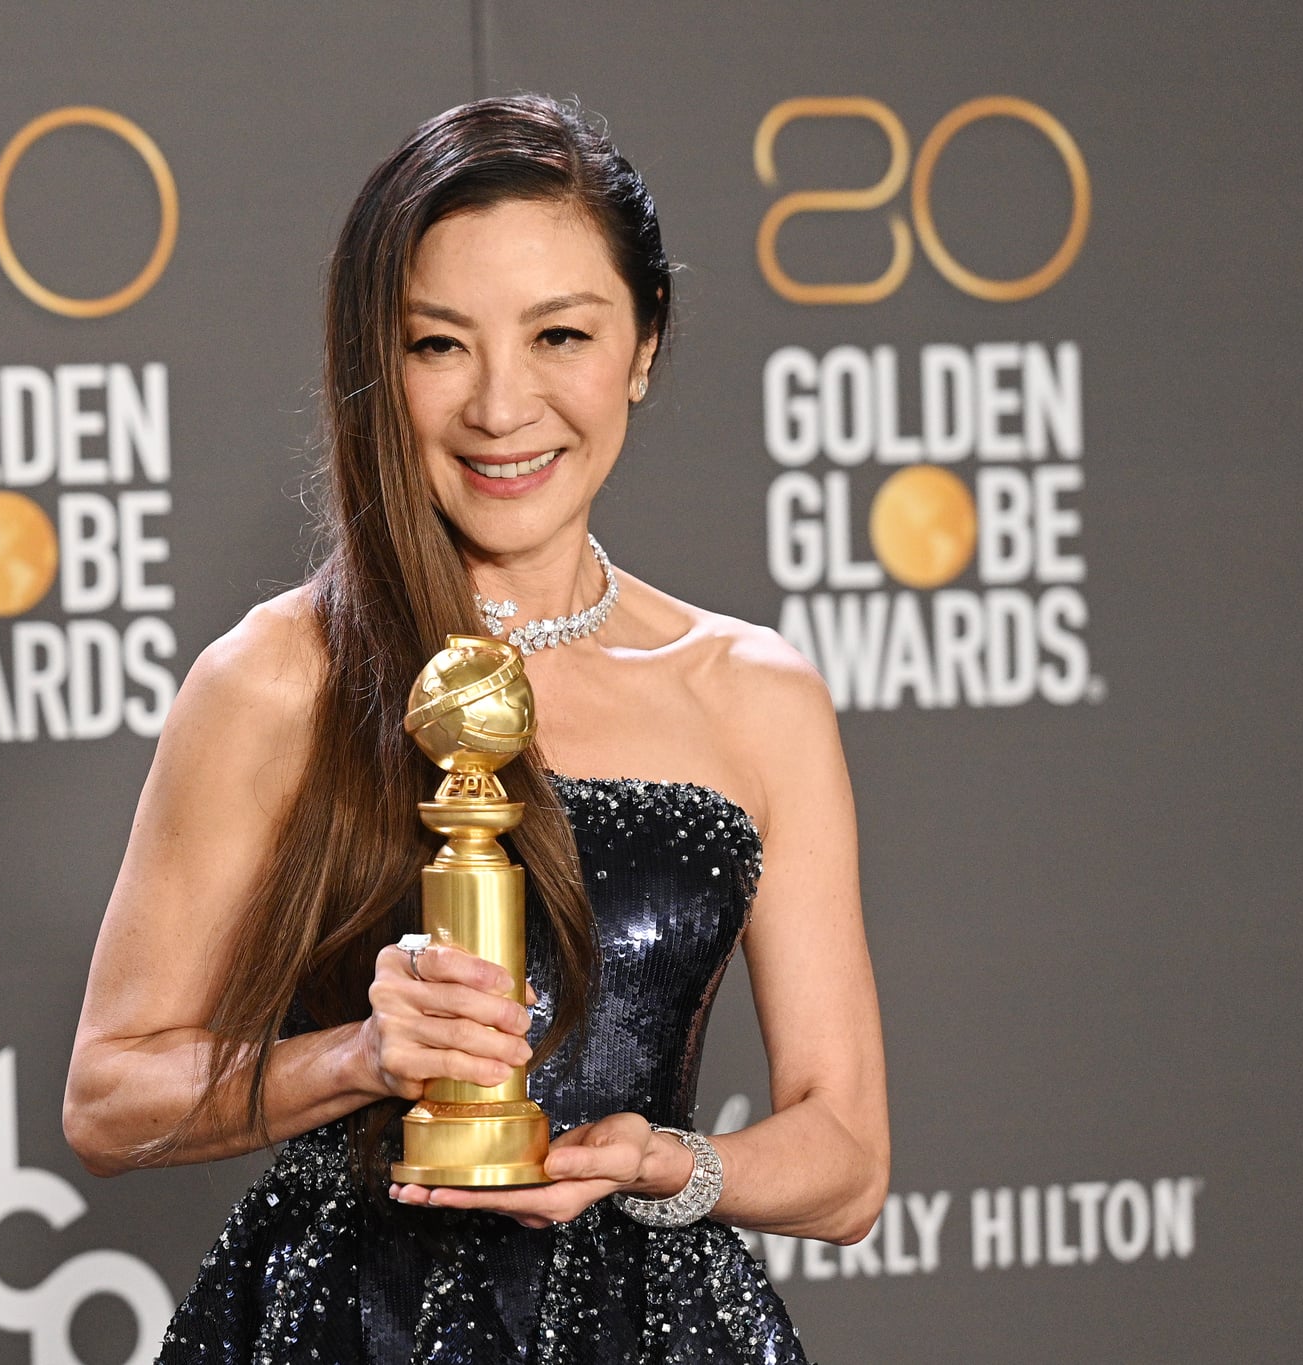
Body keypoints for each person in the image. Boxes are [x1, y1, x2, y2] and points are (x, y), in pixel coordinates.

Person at [64, 93, 889, 1364]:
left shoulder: (752, 692)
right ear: (375, 362)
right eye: (440, 344)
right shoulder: (278, 677)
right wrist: (356, 1057)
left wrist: (665, 1166)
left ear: (645, 346)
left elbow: (843, 1161)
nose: (503, 407)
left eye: (560, 333)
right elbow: (109, 1099)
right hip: (353, 1329)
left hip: (658, 1330)